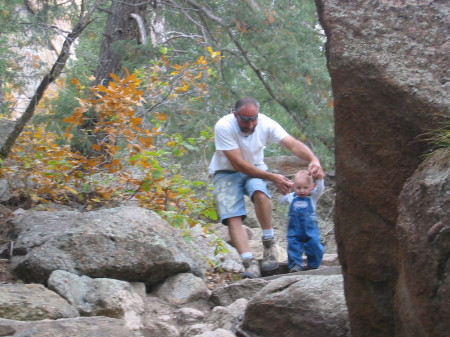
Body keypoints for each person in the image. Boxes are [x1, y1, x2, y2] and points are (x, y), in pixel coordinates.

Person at [208, 96, 324, 278]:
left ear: (258, 116)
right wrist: (273, 177)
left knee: (261, 194)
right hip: (226, 171)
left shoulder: (267, 124)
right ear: (235, 114)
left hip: (256, 168)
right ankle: (249, 262)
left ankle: (269, 243)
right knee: (233, 216)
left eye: (253, 119)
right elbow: (237, 164)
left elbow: (292, 144)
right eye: (245, 120)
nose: (250, 124)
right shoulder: (224, 126)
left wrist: (313, 159)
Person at [279, 169, 325, 273]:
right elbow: (281, 201)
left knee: (314, 245)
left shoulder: (313, 197)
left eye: (305, 188)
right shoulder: (291, 197)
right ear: (294, 186)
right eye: (298, 188)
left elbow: (320, 188)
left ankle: (314, 265)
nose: (302, 191)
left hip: (310, 230)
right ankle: (295, 265)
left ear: (312, 187)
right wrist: (283, 192)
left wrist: (319, 178)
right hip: (294, 230)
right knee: (293, 246)